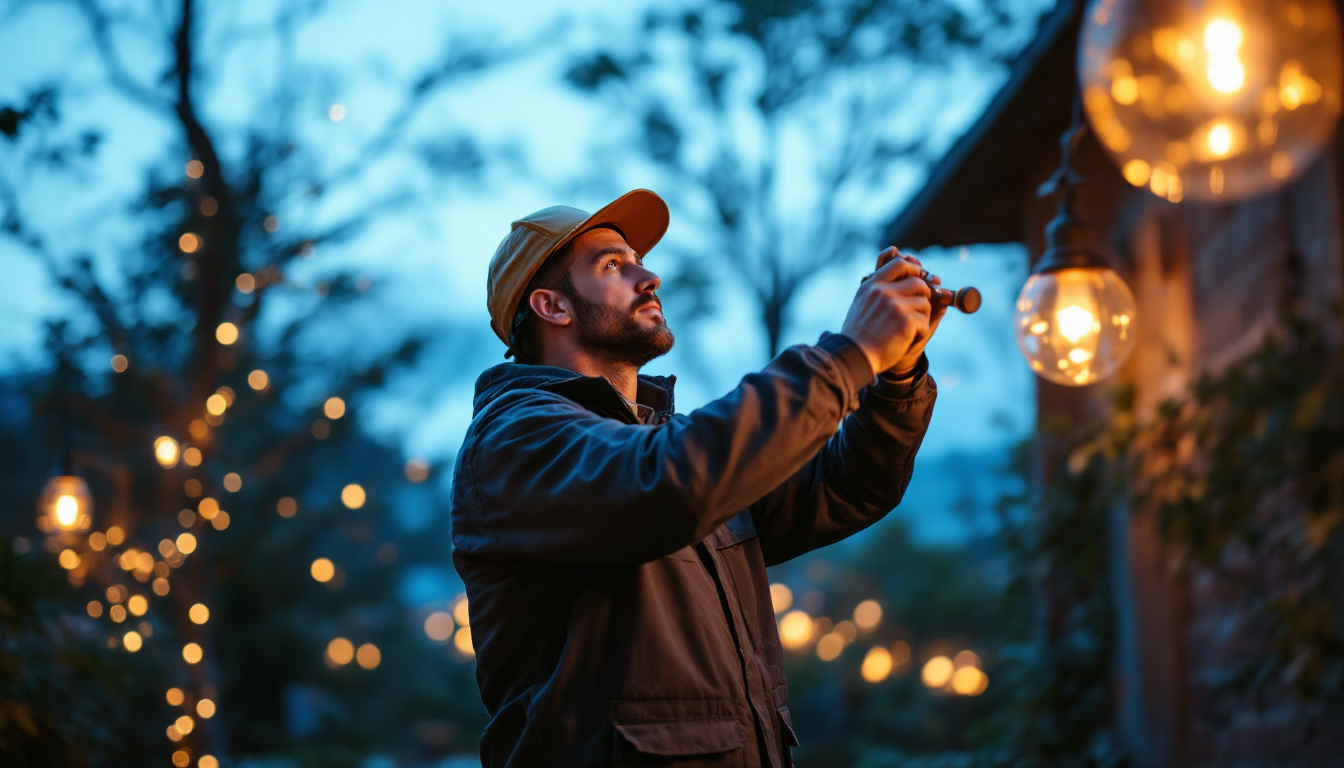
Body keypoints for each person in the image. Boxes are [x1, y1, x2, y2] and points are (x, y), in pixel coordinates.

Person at [450, 189, 942, 767]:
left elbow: (843, 489)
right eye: (614, 264)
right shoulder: (515, 439)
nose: (649, 275)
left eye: (638, 260)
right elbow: (672, 483)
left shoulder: (668, 444)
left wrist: (896, 376)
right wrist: (850, 353)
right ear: (552, 306)